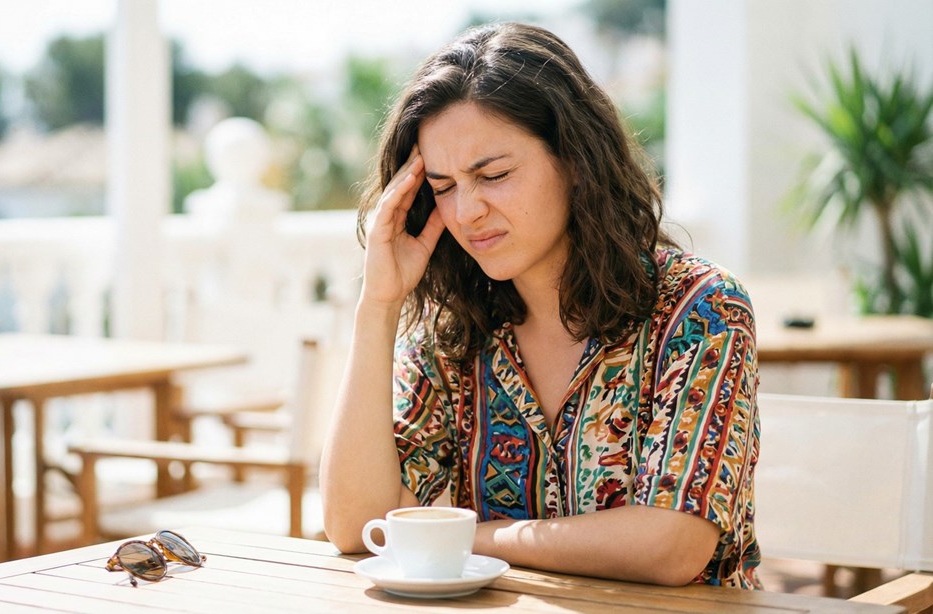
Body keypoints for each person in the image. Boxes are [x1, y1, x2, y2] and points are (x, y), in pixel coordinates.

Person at [319, 22, 760, 589]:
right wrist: (378, 305)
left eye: (493, 174)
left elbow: (672, 546)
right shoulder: (454, 334)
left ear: (575, 159)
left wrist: (461, 536)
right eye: (444, 185)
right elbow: (356, 525)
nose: (467, 211)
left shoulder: (700, 310)